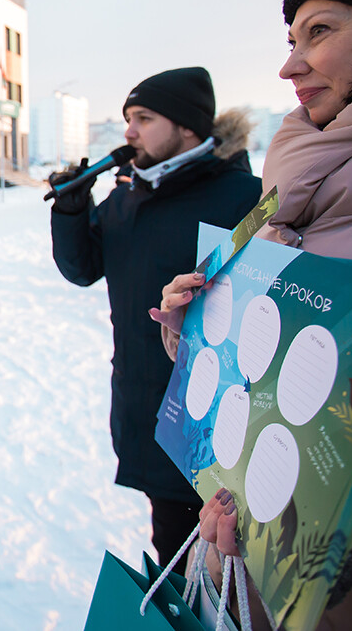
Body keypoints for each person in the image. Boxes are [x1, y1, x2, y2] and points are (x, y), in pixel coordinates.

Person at [156, 0, 352, 630]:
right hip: (245, 585)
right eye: (291, 40)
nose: (290, 66)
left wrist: (331, 517)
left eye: (321, 31)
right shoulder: (286, 189)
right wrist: (197, 329)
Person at [48, 68, 261, 568]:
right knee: (173, 555)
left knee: (231, 573)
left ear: (187, 127)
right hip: (146, 408)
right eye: (128, 118)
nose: (129, 131)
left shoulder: (243, 198)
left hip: (221, 428)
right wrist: (72, 211)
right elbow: (82, 269)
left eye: (144, 118)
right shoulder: (127, 199)